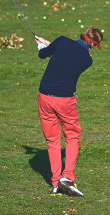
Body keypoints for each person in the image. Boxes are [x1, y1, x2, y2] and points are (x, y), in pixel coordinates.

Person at [34, 26, 104, 197]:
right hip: (65, 101)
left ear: (82, 35)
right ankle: (67, 177)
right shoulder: (87, 60)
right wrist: (49, 46)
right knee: (72, 137)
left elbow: (44, 55)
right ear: (93, 46)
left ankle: (54, 183)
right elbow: (67, 57)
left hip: (44, 97)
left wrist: (43, 46)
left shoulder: (61, 41)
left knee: (52, 140)